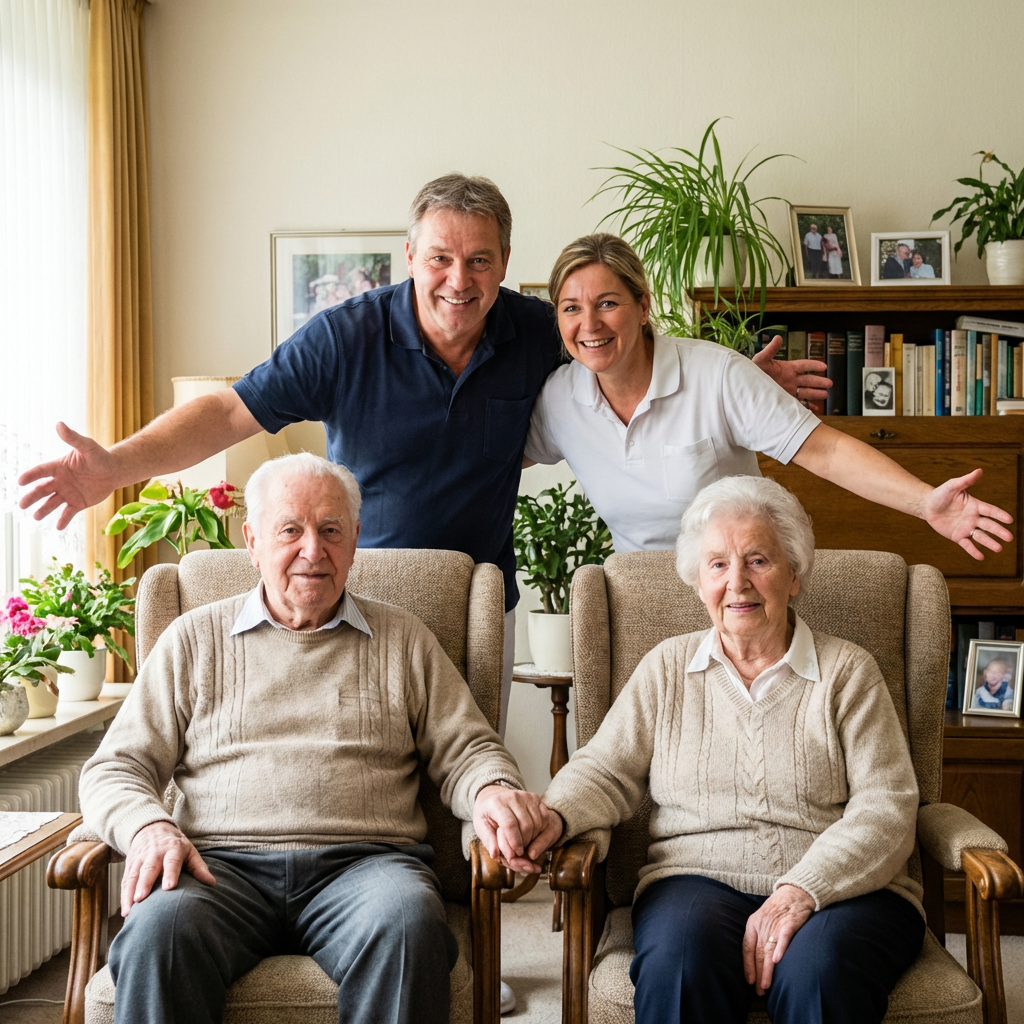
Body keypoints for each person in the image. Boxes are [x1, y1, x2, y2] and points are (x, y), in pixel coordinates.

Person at [16, 175, 827, 742]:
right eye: (441, 257)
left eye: (479, 261)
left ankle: (466, 936)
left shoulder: (534, 330)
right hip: (361, 595)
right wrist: (114, 467)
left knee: (468, 774)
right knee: (363, 768)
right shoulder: (346, 337)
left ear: (504, 264)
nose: (458, 280)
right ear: (410, 256)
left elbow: (622, 347)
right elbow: (230, 411)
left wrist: (735, 385)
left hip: (479, 601)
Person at [78, 452, 561, 1024]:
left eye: (331, 530)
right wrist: (148, 826)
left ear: (354, 539)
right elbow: (115, 768)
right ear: (253, 541)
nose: (313, 550)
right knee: (157, 933)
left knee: (410, 927)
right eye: (291, 530)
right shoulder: (193, 640)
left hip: (367, 868)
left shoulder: (404, 639)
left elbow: (468, 749)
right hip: (217, 870)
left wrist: (491, 790)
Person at [541, 476, 926, 1024]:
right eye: (718, 564)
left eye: (758, 561)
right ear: (699, 582)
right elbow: (606, 770)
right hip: (694, 880)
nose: (737, 583)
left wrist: (802, 888)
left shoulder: (848, 673)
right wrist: (553, 816)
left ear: (795, 575)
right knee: (680, 967)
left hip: (842, 891)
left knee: (819, 974)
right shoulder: (667, 668)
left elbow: (886, 807)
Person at [523, 233, 1012, 558]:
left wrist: (925, 502)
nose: (590, 324)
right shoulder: (560, 400)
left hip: (739, 592)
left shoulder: (717, 375)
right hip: (640, 600)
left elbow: (827, 451)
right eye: (571, 308)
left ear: (643, 306)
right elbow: (499, 462)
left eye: (607, 303)